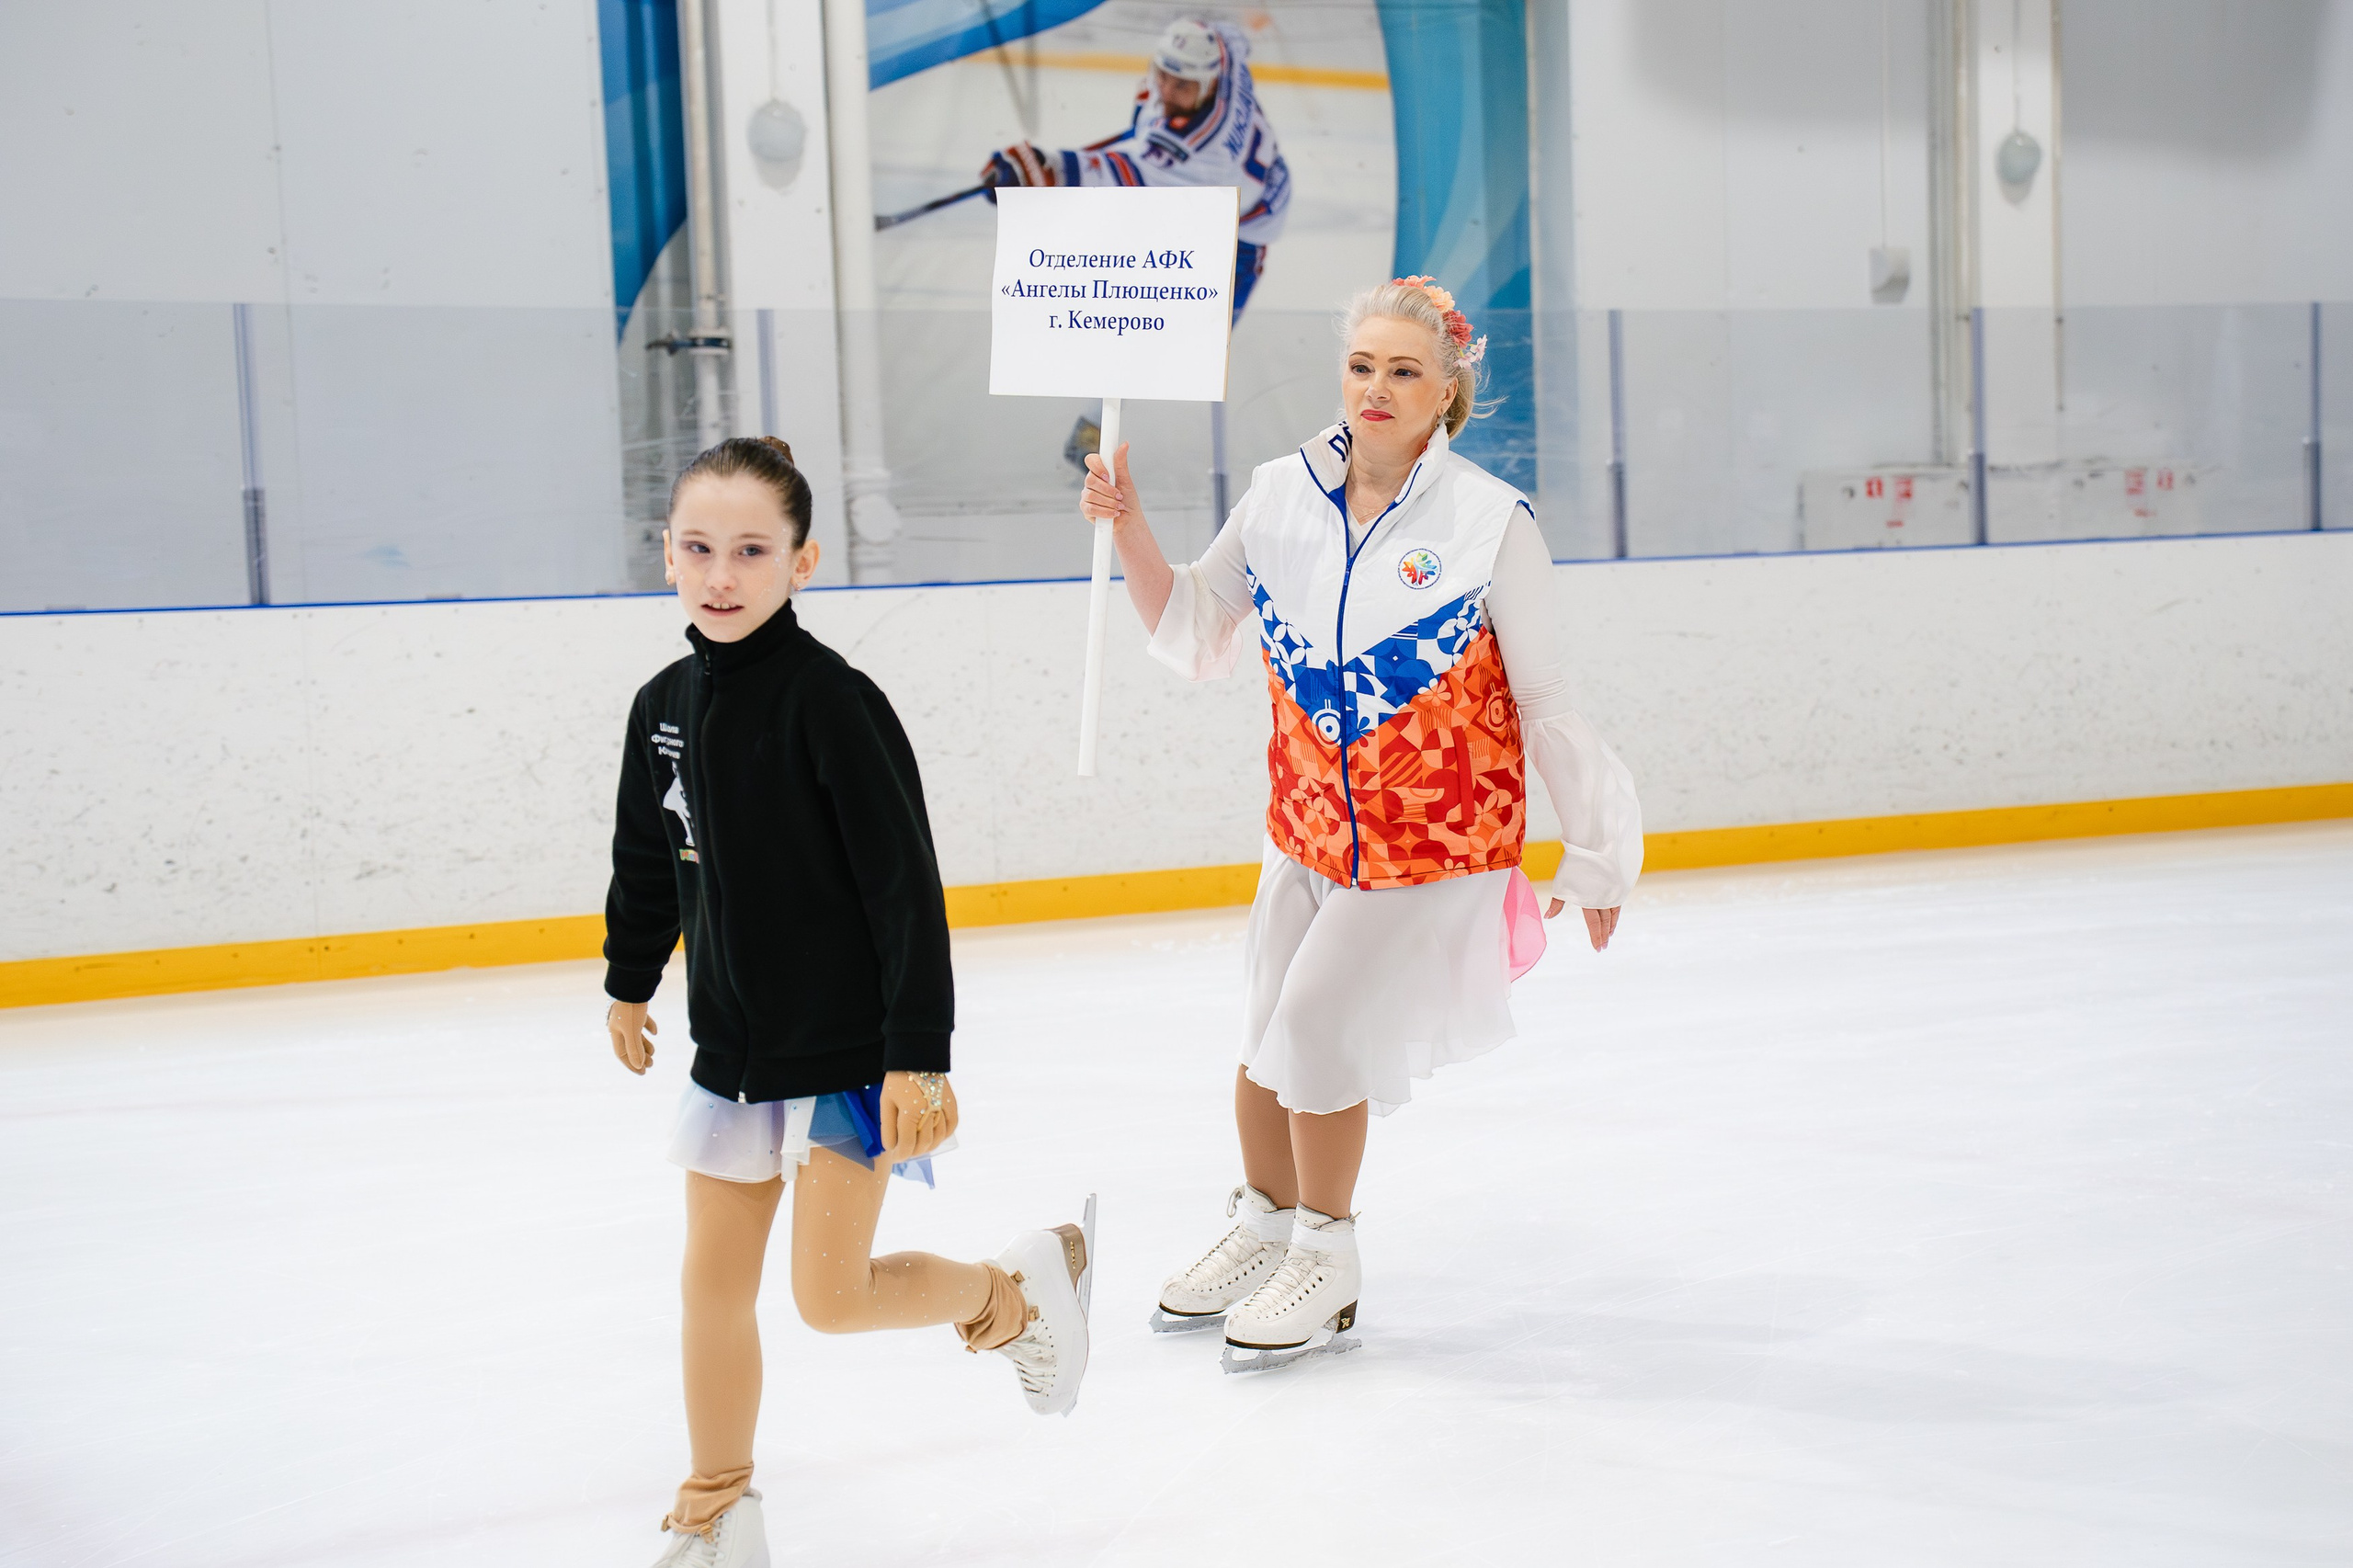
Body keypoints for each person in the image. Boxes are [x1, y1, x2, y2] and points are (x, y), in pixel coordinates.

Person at [1078, 278, 1643, 1373]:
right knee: (1262, 1040)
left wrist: (1596, 854)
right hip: (1307, 827)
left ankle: (1325, 1258)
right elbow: (1193, 625)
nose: (1375, 388)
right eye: (1361, 366)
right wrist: (1130, 523)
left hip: (1432, 839)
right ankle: (1262, 1227)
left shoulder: (1489, 521)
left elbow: (1544, 700)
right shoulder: (1278, 493)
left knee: (1317, 1030)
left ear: (1446, 390)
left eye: (1403, 371)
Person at [603, 436, 1096, 1567]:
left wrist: (917, 1052)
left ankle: (1014, 1295)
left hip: (847, 1051)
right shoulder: (660, 706)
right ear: (666, 554)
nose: (720, 573)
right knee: (709, 1288)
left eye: (751, 550)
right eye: (697, 548)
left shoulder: (833, 702)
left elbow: (902, 886)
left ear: (802, 560)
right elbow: (648, 858)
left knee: (828, 1298)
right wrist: (630, 981)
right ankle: (717, 1508)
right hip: (729, 1049)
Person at [981, 17, 1290, 321]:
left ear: (1209, 87)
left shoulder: (1198, 154)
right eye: (1163, 75)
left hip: (1241, 229)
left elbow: (1114, 174)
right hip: (1227, 183)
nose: (1166, 91)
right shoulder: (1224, 56)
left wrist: (1047, 168)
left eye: (1181, 85)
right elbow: (1229, 35)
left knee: (1197, 339)